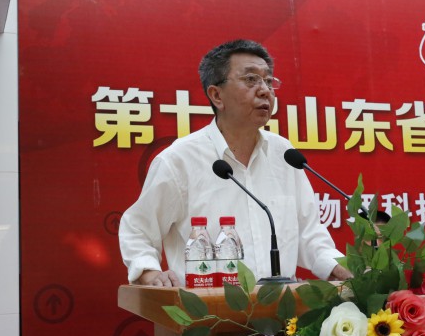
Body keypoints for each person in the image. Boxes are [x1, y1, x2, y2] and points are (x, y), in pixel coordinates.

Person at [118, 39, 350, 287]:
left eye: (268, 81)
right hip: (207, 307)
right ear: (217, 95)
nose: (265, 90)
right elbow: (138, 229)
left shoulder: (284, 154)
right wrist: (149, 273)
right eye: (251, 79)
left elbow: (308, 233)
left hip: (284, 308)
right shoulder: (179, 160)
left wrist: (337, 268)